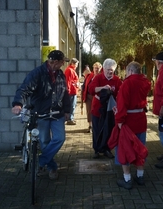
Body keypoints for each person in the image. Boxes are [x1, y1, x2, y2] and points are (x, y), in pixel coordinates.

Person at [11, 50, 70, 180]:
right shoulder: (37, 73)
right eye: (61, 62)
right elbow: (24, 89)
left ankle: (41, 161)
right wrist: (17, 104)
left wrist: (67, 111)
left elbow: (65, 93)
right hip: (41, 114)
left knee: (59, 138)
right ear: (55, 62)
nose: (62, 65)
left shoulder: (60, 74)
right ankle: (52, 167)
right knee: (44, 141)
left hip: (57, 113)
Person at [113, 61, 151, 190]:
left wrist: (119, 120)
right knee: (140, 147)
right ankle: (140, 176)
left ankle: (127, 178)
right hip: (141, 118)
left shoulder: (127, 83)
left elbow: (122, 104)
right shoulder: (146, 82)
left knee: (125, 149)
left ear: (129, 71)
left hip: (128, 121)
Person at [88, 58, 122, 159]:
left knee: (109, 130)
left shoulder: (116, 80)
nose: (110, 72)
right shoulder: (98, 78)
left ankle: (107, 149)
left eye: (112, 70)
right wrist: (103, 88)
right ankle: (96, 150)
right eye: (108, 70)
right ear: (104, 69)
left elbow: (121, 93)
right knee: (97, 130)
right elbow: (91, 89)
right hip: (98, 109)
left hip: (110, 110)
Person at [82, 62, 102, 133]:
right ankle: (90, 125)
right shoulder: (89, 76)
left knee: (95, 110)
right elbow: (84, 85)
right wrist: (83, 95)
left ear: (101, 68)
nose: (96, 69)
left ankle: (96, 125)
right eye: (95, 68)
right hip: (88, 96)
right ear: (93, 68)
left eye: (98, 68)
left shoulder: (102, 76)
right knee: (89, 111)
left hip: (96, 97)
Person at [64, 58, 80, 125]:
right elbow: (68, 81)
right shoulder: (69, 70)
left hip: (73, 91)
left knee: (73, 105)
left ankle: (71, 118)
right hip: (71, 92)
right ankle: (70, 119)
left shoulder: (71, 70)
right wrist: (68, 91)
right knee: (72, 105)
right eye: (76, 64)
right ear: (73, 63)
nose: (77, 66)